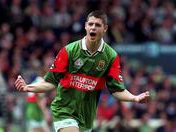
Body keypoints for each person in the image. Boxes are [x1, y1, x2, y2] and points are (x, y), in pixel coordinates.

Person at [15, 10, 150, 132]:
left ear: (105, 28)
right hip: (64, 110)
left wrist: (135, 98)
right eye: (90, 24)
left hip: (86, 116)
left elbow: (117, 90)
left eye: (97, 25)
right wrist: (27, 88)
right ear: (85, 26)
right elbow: (50, 82)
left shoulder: (111, 56)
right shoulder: (69, 51)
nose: (93, 27)